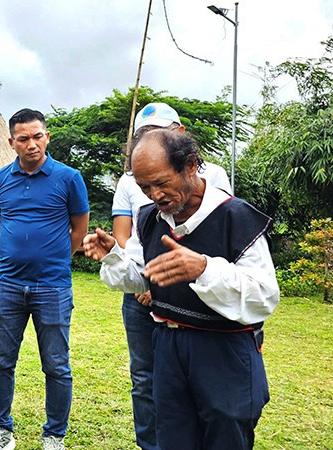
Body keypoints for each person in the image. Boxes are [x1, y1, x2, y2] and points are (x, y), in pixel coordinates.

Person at [84, 129, 279, 449]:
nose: (154, 195)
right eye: (145, 187)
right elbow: (142, 277)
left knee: (225, 436)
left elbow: (264, 297)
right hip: (167, 345)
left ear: (190, 166)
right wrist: (112, 256)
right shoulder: (149, 218)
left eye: (161, 183)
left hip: (224, 350)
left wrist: (203, 268)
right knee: (173, 434)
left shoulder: (235, 217)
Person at [112, 102, 232, 449]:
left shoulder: (214, 174)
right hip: (142, 293)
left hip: (192, 292)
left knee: (196, 380)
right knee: (145, 378)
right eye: (141, 137)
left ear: (179, 135)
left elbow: (216, 236)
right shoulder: (128, 178)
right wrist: (144, 278)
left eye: (157, 133)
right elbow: (126, 233)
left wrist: (165, 282)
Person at [0, 108, 90, 450]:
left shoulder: (69, 178)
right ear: (12, 142)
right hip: (9, 284)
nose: (32, 144)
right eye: (23, 138)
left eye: (37, 136)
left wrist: (53, 258)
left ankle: (54, 436)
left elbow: (79, 228)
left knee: (56, 364)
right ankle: (1, 432)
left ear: (47, 137)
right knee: (0, 360)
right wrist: (20, 252)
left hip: (53, 286)